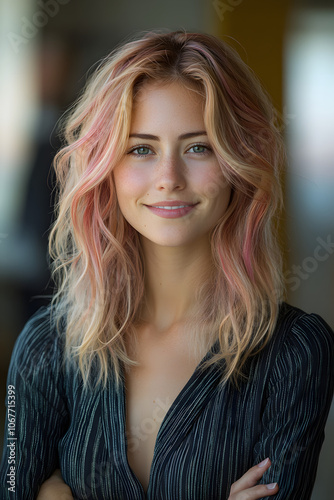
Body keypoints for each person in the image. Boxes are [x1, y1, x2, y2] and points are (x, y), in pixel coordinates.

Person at [0, 29, 333, 500]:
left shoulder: (296, 354)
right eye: (141, 148)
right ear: (105, 168)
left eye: (199, 147)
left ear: (239, 162)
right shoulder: (42, 348)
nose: (169, 179)